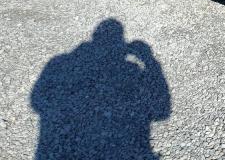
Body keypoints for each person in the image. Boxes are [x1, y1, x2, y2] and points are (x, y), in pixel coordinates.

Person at [31, 19, 171, 159]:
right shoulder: (132, 69)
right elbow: (161, 112)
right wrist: (149, 60)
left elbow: (38, 100)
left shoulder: (59, 62)